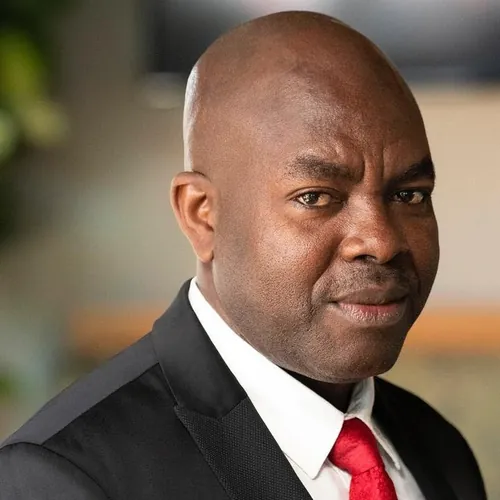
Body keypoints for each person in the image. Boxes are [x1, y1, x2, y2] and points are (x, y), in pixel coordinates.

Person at [0, 11, 486, 500]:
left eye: (409, 195)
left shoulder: (438, 450)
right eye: (316, 197)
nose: (380, 241)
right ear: (202, 216)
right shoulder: (66, 477)